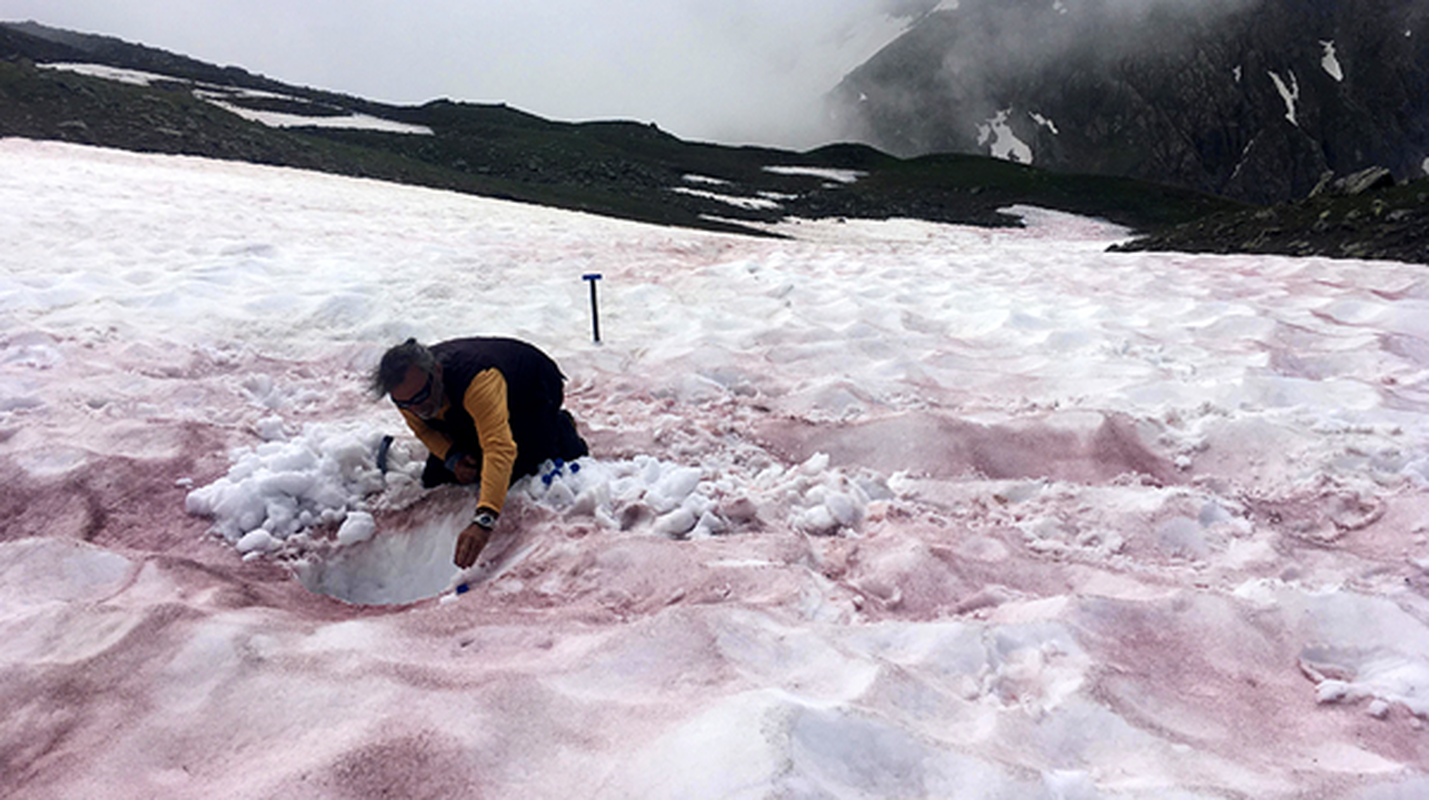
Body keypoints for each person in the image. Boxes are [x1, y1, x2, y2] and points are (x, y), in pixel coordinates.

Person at [370, 337, 588, 568]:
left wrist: (485, 519)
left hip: (530, 389)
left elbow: (499, 449)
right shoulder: (407, 392)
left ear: (437, 372)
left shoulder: (477, 380)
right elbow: (424, 430)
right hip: (466, 402)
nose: (416, 409)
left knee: (519, 469)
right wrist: (453, 457)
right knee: (438, 476)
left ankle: (560, 428)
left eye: (420, 397)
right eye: (404, 404)